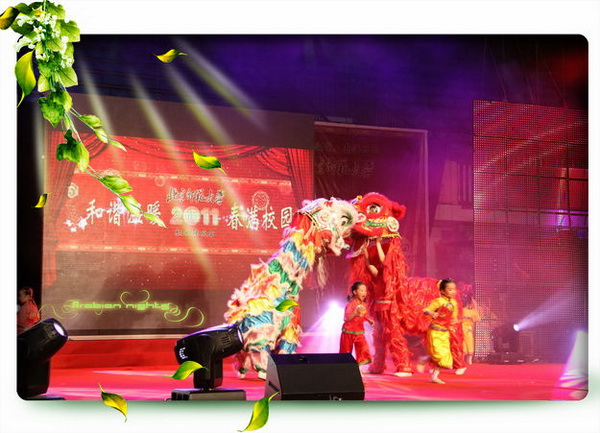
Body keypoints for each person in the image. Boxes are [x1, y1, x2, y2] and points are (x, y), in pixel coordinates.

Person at [423, 278, 466, 384]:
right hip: (435, 332)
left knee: (445, 357)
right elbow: (425, 310)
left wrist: (456, 322)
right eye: (450, 289)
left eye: (454, 289)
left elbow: (453, 318)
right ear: (442, 291)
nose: (453, 291)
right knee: (439, 355)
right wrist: (432, 313)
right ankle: (424, 359)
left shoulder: (454, 303)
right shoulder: (438, 301)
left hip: (445, 333)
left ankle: (434, 376)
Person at [340, 282, 375, 368]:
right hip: (348, 332)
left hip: (359, 332)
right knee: (346, 352)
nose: (364, 293)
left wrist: (369, 320)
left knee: (363, 349)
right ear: (355, 292)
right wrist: (355, 313)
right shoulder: (350, 304)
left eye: (365, 291)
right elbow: (346, 318)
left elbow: (365, 314)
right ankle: (345, 369)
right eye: (361, 291)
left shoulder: (364, 304)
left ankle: (358, 368)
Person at [461, 287, 481, 365]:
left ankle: (468, 359)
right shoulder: (461, 310)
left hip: (468, 330)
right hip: (461, 330)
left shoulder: (472, 311)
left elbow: (478, 319)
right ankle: (462, 359)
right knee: (463, 345)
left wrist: (475, 307)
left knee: (469, 343)